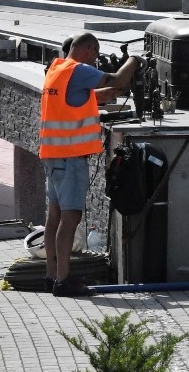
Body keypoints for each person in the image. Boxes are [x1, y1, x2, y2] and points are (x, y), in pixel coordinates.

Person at [39, 32, 140, 297]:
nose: (96, 60)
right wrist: (135, 61)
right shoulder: (79, 69)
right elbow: (118, 78)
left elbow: (71, 102)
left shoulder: (57, 68)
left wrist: (95, 97)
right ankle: (64, 281)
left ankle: (51, 276)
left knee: (55, 217)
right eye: (95, 54)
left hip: (52, 155)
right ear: (87, 49)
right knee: (71, 217)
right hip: (70, 157)